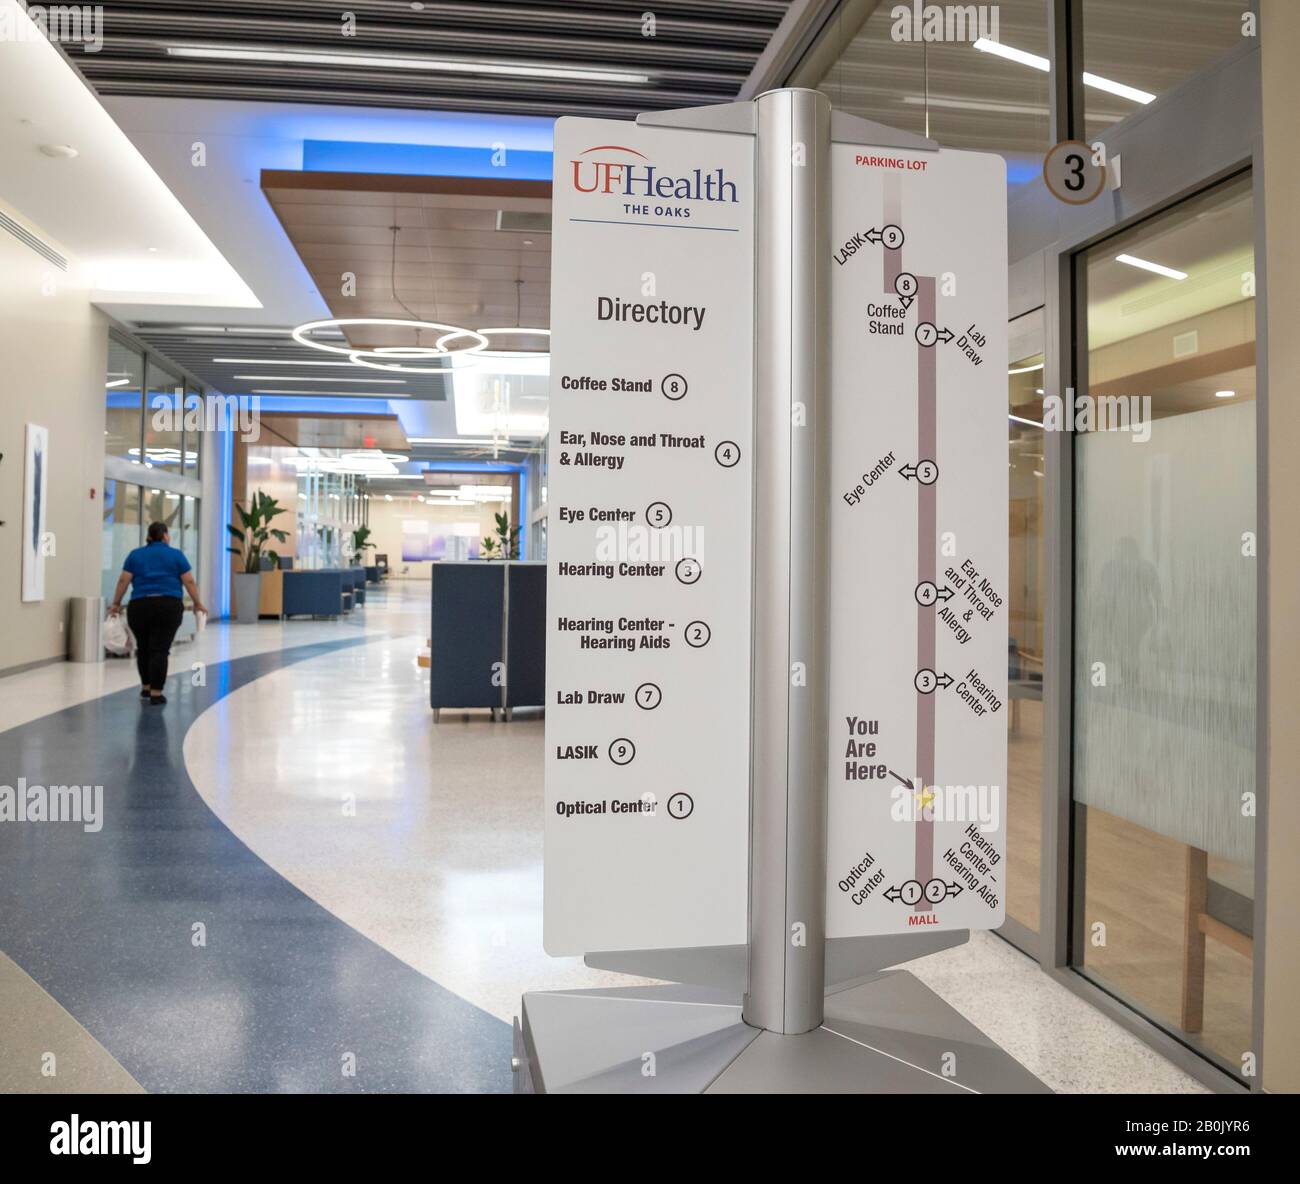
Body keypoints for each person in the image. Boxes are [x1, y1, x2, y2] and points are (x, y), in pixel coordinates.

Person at [108, 521, 208, 705]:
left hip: (140, 606)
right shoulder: (176, 555)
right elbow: (189, 582)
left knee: (144, 648)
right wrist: (197, 603)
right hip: (168, 606)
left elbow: (123, 580)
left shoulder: (135, 555)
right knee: (160, 650)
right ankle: (156, 693)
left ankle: (146, 687)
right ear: (164, 535)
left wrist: (115, 603)